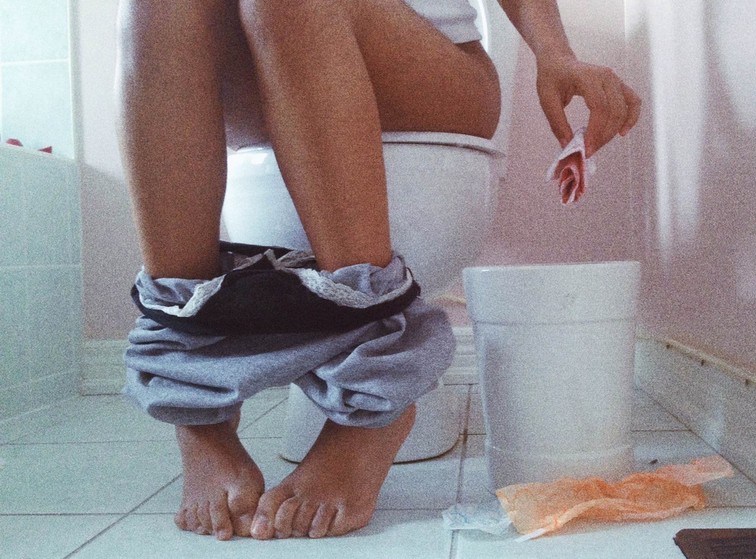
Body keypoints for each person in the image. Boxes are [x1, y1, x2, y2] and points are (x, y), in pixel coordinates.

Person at [115, 0, 641, 542]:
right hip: (251, 57)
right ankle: (194, 405)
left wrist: (555, 53)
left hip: (425, 68)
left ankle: (373, 395)